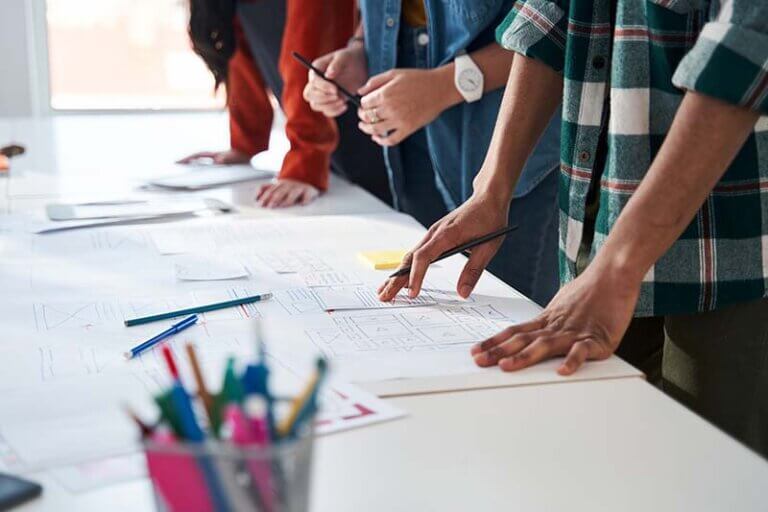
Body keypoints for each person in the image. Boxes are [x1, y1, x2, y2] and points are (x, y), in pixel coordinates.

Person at [381, 0, 768, 457]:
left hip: (726, 254)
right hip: (595, 225)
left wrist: (618, 267)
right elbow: (550, 15)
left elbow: (746, 53)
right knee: (600, 459)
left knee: (707, 470)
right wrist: (492, 189)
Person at [304, 0, 562, 306]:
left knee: (502, 318)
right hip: (408, 116)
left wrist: (447, 84)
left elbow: (560, 23)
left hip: (509, 132)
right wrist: (361, 47)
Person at [180, 0, 392, 208]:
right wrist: (245, 144)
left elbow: (308, 50)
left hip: (372, 135)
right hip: (328, 154)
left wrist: (305, 164)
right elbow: (241, 51)